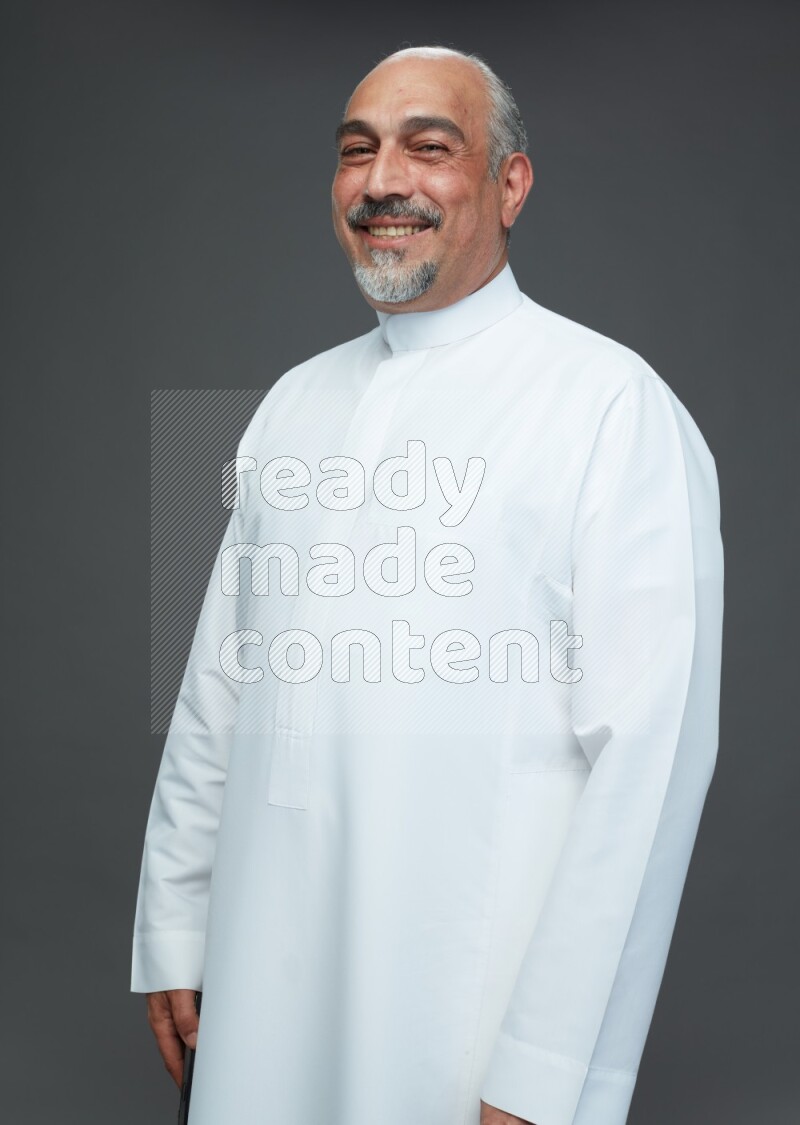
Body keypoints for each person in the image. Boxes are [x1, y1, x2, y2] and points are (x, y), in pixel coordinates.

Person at [131, 45, 724, 1125]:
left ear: (509, 183)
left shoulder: (607, 407)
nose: (382, 181)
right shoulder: (292, 403)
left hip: (466, 1013)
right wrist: (173, 919)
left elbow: (648, 763)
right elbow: (219, 685)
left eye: (428, 147)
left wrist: (548, 1070)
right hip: (261, 984)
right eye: (356, 152)